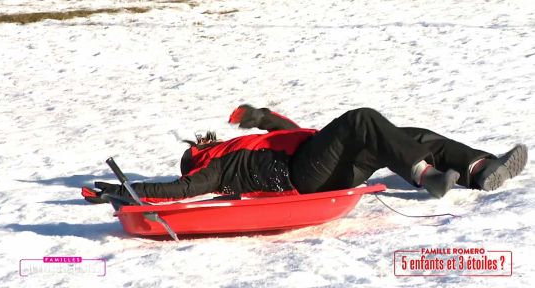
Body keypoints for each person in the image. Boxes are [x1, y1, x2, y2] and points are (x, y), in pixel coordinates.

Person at [86, 105, 528, 203]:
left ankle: (478, 168)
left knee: (407, 134)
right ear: (198, 156)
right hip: (304, 175)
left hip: (326, 164)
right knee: (362, 119)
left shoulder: (241, 146)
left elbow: (286, 130)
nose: (202, 144)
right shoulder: (216, 167)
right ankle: (425, 176)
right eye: (197, 148)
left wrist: (258, 115)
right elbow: (176, 189)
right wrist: (121, 190)